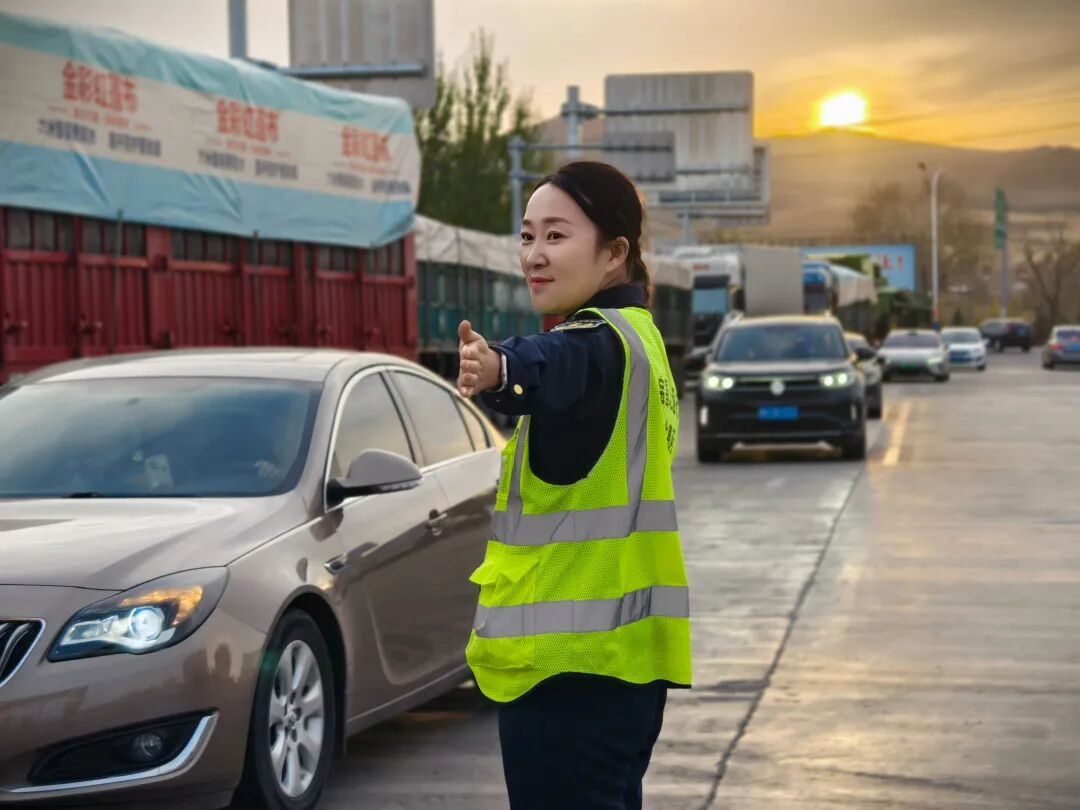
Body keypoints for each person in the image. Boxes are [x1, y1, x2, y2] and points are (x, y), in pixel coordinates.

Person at [456, 161, 692, 810]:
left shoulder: (596, 344)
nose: (534, 255)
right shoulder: (642, 338)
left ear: (615, 253)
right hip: (624, 668)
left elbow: (551, 364)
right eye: (527, 236)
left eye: (556, 237)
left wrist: (499, 366)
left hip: (568, 679)